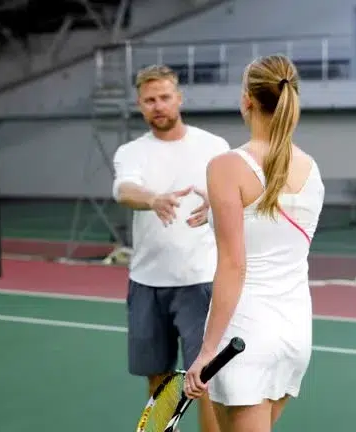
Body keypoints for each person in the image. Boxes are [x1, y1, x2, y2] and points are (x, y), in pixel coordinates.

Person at [183, 54, 325, 431]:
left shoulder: (225, 166)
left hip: (243, 339)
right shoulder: (311, 169)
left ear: (247, 99)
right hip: (295, 334)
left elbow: (234, 265)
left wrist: (207, 351)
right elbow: (272, 219)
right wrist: (218, 204)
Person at [112, 64, 229, 432]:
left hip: (200, 282)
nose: (158, 105)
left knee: (205, 382)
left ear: (179, 98)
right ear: (140, 105)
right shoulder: (130, 152)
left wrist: (218, 205)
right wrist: (154, 199)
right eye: (149, 100)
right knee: (159, 380)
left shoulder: (214, 147)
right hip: (147, 283)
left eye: (164, 97)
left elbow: (233, 197)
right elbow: (124, 190)